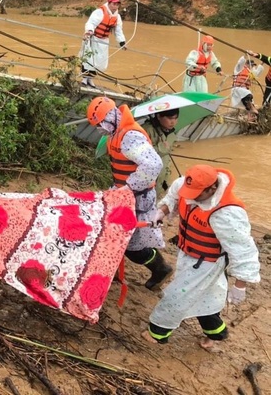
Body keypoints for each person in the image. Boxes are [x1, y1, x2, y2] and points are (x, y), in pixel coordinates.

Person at [143, 165, 260, 351]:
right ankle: (216, 333)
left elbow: (243, 250)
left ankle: (157, 333)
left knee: (177, 296)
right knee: (205, 296)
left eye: (196, 194)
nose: (190, 197)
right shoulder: (185, 185)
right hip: (188, 254)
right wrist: (161, 212)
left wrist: (240, 285)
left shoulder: (228, 213)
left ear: (211, 188)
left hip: (207, 263)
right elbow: (173, 198)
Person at [87, 96, 172, 290]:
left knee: (134, 248)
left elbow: (153, 164)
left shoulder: (130, 137)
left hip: (137, 197)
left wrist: (129, 187)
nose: (99, 129)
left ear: (110, 117)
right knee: (111, 233)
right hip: (123, 194)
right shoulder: (116, 133)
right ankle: (110, 272)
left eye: (100, 124)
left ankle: (161, 269)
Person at [79, 0, 127, 88]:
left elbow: (118, 30)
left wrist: (122, 42)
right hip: (93, 38)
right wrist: (89, 31)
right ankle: (84, 78)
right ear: (109, 3)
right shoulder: (100, 12)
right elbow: (91, 23)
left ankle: (91, 78)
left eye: (117, 5)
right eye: (114, 4)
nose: (115, 6)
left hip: (103, 40)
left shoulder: (117, 17)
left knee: (100, 62)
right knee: (88, 58)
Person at [141, 109, 179, 198]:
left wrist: (166, 179)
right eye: (169, 118)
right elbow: (139, 153)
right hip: (146, 182)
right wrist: (160, 148)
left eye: (175, 118)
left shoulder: (171, 134)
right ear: (158, 116)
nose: (173, 122)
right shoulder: (146, 130)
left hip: (160, 181)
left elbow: (167, 159)